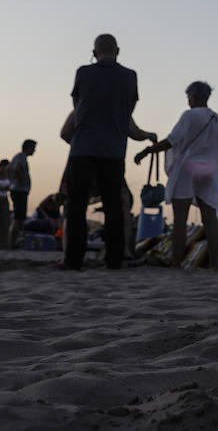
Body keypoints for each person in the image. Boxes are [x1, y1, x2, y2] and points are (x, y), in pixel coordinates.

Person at [63, 34, 154, 270]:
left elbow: (77, 107)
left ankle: (73, 260)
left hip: (83, 147)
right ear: (118, 51)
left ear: (94, 52)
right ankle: (114, 260)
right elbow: (127, 113)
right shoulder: (129, 76)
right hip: (113, 150)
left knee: (76, 206)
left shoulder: (83, 72)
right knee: (114, 206)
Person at [136, 81, 218, 270]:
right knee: (210, 218)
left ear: (194, 96)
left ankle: (176, 262)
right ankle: (216, 264)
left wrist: (148, 150)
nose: (188, 101)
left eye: (189, 97)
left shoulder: (189, 115)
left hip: (188, 170)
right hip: (209, 171)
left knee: (180, 220)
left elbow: (172, 140)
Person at [8, 139, 36, 248]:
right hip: (19, 191)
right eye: (33, 148)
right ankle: (11, 243)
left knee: (18, 217)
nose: (34, 151)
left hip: (18, 190)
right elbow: (16, 169)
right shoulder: (21, 157)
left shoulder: (19, 157)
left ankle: (12, 242)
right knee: (18, 218)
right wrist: (22, 181)